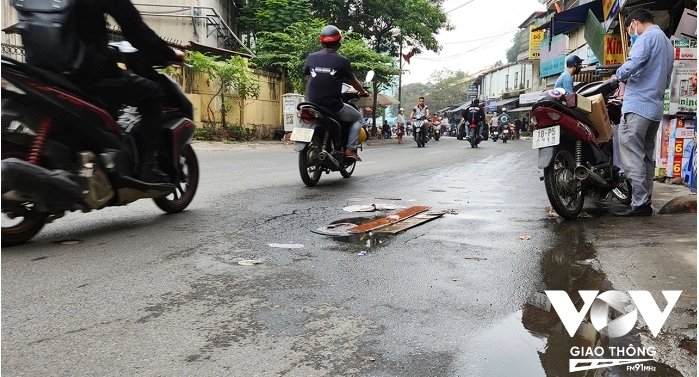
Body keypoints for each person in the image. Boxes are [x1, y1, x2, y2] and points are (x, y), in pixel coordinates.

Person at [45, 0, 186, 183]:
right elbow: (135, 29)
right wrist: (169, 54)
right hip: (88, 73)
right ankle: (148, 168)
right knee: (153, 94)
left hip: (45, 69)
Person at [612, 9, 674, 216]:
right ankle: (644, 201)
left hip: (638, 106)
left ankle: (639, 203)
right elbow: (666, 80)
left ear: (635, 23)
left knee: (632, 156)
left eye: (630, 28)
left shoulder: (646, 38)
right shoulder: (667, 43)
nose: (631, 33)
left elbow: (634, 63)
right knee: (646, 156)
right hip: (654, 109)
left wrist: (617, 75)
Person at [304, 25, 370, 161]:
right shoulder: (342, 60)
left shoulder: (311, 57)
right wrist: (362, 91)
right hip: (333, 105)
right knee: (358, 118)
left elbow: (309, 78)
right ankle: (350, 149)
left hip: (312, 103)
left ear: (321, 41)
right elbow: (355, 82)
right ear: (339, 42)